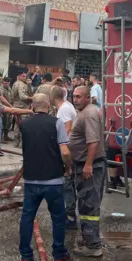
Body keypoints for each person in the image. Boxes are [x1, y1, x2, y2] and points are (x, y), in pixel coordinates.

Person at [19, 93, 71, 261]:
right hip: (53, 180)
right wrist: (68, 168)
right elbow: (64, 152)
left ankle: (25, 257)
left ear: (32, 106)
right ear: (48, 106)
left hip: (31, 179)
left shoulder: (24, 124)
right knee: (58, 218)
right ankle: (58, 255)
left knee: (27, 217)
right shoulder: (56, 123)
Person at [69, 86, 107, 257]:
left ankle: (93, 246)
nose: (75, 99)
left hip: (89, 166)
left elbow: (93, 142)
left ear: (87, 98)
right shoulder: (85, 111)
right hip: (84, 164)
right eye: (74, 96)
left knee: (89, 205)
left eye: (79, 97)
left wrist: (88, 165)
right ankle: (89, 238)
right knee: (87, 203)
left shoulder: (89, 114)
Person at [52, 86, 78, 229]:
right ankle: (69, 214)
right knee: (69, 184)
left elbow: (66, 129)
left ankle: (70, 217)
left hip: (68, 149)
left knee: (68, 184)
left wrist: (60, 148)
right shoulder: (66, 107)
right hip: (69, 148)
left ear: (53, 97)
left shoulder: (64, 109)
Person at [12, 71, 32, 148]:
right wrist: (31, 98)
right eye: (23, 76)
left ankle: (16, 143)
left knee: (17, 125)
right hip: (23, 107)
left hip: (16, 106)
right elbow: (22, 96)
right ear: (19, 76)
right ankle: (23, 143)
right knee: (24, 124)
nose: (25, 78)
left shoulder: (15, 83)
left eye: (26, 76)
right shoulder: (21, 84)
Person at [0, 77, 14, 142]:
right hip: (3, 108)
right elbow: (1, 100)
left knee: (9, 123)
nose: (7, 84)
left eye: (8, 83)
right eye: (5, 83)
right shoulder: (1, 89)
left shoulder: (9, 89)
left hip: (10, 108)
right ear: (3, 82)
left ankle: (6, 136)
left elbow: (12, 97)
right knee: (3, 123)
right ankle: (1, 137)